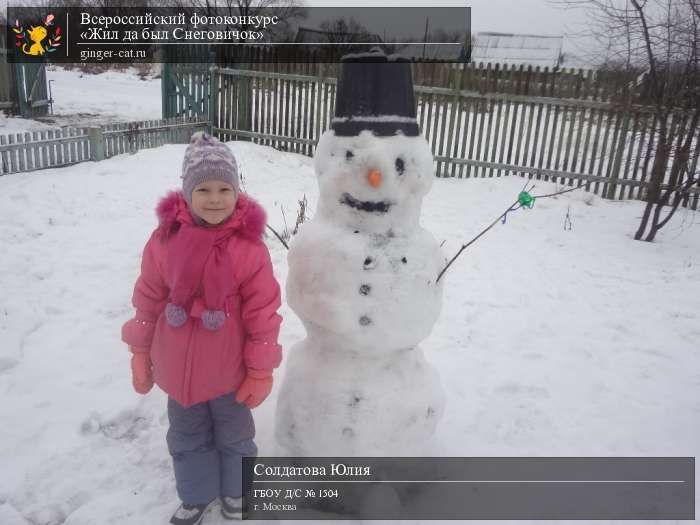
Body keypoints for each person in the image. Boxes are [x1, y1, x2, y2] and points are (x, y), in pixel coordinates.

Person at [121, 131, 283, 525]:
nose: (215, 199)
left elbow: (263, 312)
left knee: (235, 437)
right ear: (187, 192)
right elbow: (148, 298)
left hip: (229, 374)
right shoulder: (164, 242)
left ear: (237, 191)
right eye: (204, 189)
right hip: (179, 374)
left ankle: (237, 494)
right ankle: (196, 495)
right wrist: (141, 352)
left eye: (224, 188)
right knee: (186, 438)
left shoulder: (249, 249)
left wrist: (260, 370)